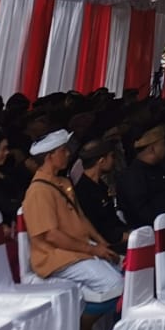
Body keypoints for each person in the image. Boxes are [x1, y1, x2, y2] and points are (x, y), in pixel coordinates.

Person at [20, 130, 123, 305]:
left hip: (79, 250)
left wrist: (100, 243)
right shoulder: (38, 191)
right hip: (57, 256)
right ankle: (83, 326)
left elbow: (80, 217)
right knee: (115, 284)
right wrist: (92, 250)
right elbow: (51, 235)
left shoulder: (64, 183)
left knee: (122, 271)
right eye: (63, 150)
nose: (68, 153)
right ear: (49, 157)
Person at [118, 124, 165, 229]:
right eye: (163, 144)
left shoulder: (159, 169)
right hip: (153, 232)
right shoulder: (133, 176)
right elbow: (142, 213)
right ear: (152, 149)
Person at [72, 139, 126, 252]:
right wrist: (124, 236)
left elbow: (112, 219)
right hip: (104, 246)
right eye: (111, 156)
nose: (113, 160)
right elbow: (97, 228)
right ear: (101, 161)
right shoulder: (83, 192)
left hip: (118, 235)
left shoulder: (101, 186)